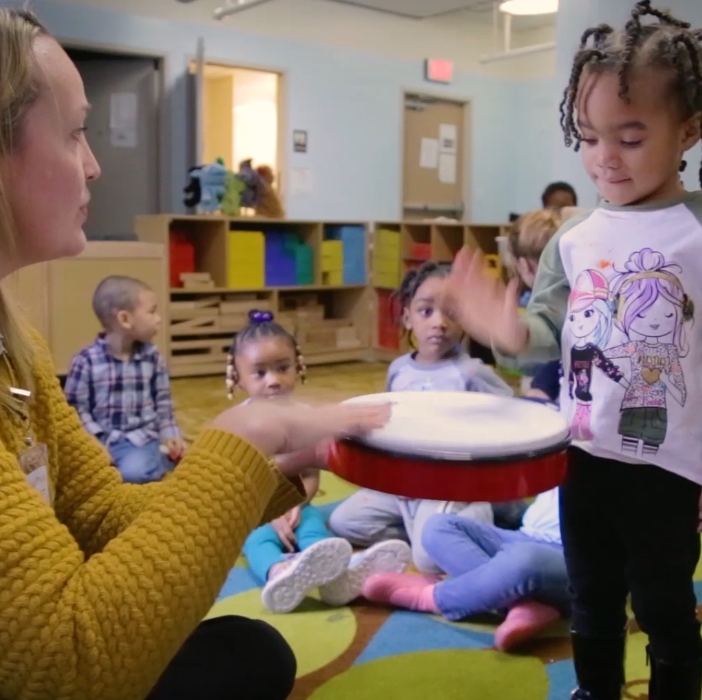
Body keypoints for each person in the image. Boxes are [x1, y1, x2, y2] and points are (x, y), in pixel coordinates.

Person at [0, 9, 390, 700]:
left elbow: (105, 522)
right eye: (72, 132)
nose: (92, 163)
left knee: (250, 652)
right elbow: (64, 665)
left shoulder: (18, 344)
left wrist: (264, 469)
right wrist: (237, 439)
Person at [442, 2, 702, 698]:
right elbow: (547, 334)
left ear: (689, 130)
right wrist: (505, 329)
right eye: (589, 137)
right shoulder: (573, 238)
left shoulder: (696, 227)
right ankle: (596, 691)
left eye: (631, 135)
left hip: (670, 468)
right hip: (581, 454)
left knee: (663, 600)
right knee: (592, 596)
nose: (603, 158)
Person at [329, 262, 513, 572]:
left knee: (426, 562)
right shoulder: (398, 369)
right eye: (426, 311)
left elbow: (513, 418)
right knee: (344, 522)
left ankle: (476, 521)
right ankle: (424, 532)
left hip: (453, 485)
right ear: (407, 317)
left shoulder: (472, 372)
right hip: (405, 485)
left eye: (451, 313)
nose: (439, 323)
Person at [228, 310, 410, 613]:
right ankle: (279, 573)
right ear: (238, 377)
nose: (273, 381)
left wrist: (296, 504)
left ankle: (335, 574)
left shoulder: (307, 419)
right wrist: (269, 513)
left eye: (282, 368)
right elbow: (239, 483)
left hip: (295, 505)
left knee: (315, 529)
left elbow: (311, 474)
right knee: (257, 539)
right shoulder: (240, 424)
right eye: (260, 373)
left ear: (298, 366)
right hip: (252, 509)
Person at [362, 485, 569, 652]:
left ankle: (431, 597)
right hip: (527, 535)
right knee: (438, 526)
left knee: (524, 558)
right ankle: (521, 604)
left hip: (576, 557)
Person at [64, 275, 185, 484]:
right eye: (152, 311)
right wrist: (94, 442)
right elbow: (75, 409)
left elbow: (163, 403)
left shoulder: (153, 357)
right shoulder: (85, 361)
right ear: (125, 319)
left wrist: (170, 434)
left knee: (133, 473)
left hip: (142, 438)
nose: (158, 319)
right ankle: (158, 460)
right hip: (100, 441)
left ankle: (158, 457)